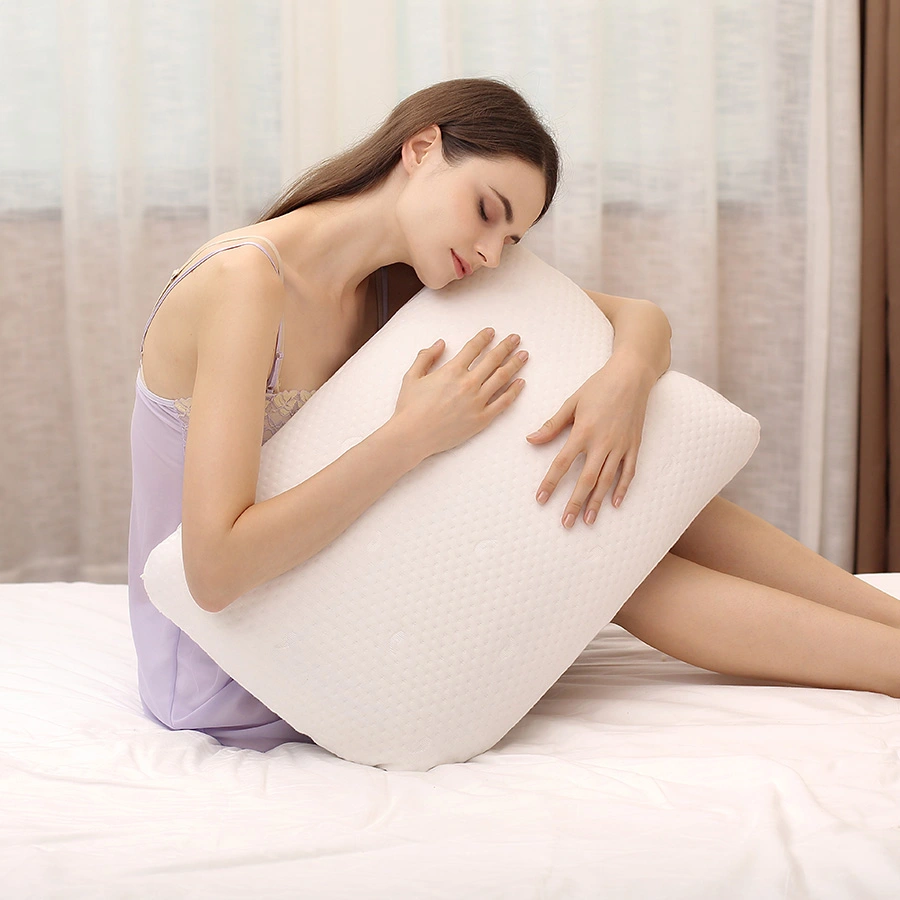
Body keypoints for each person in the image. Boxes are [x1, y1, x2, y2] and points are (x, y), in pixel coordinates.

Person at [129, 77, 900, 753]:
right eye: (487, 211)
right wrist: (409, 437)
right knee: (595, 534)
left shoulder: (405, 282)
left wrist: (624, 383)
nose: (493, 254)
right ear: (421, 148)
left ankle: (889, 624)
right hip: (228, 660)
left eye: (512, 237)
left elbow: (640, 316)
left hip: (320, 578)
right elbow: (215, 571)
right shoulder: (244, 284)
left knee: (617, 467)